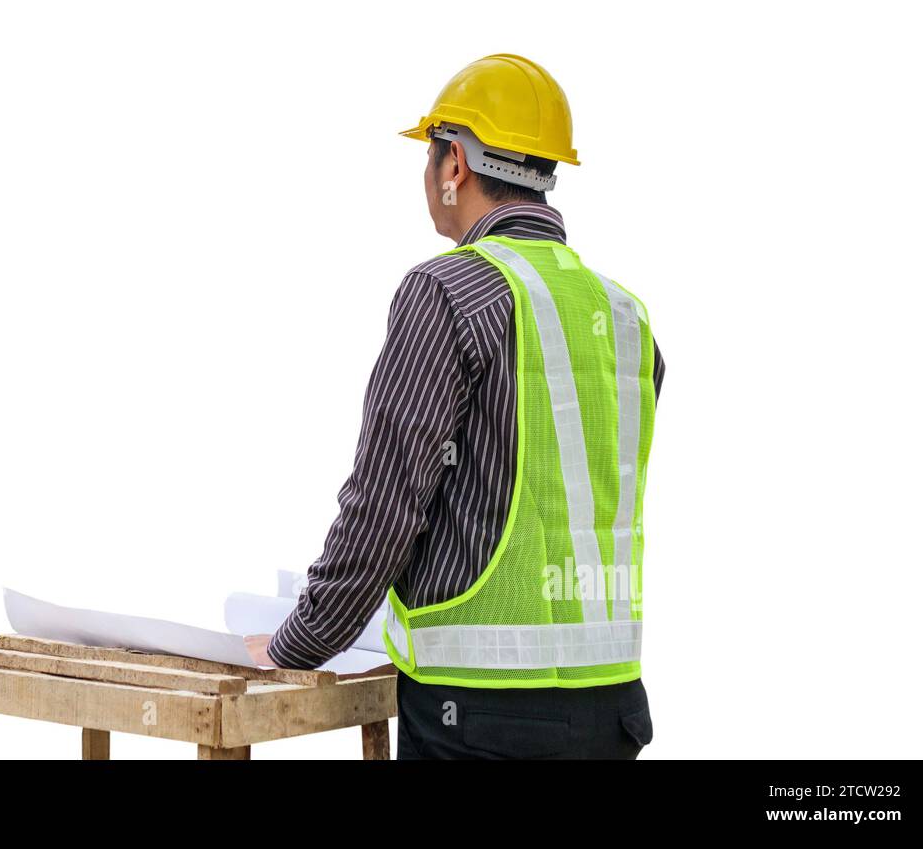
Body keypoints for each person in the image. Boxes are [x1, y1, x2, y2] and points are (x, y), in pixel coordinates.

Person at [245, 55, 662, 759]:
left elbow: (385, 504)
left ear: (455, 164)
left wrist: (299, 642)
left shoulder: (448, 292)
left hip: (479, 718)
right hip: (613, 710)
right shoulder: (626, 317)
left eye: (430, 155)